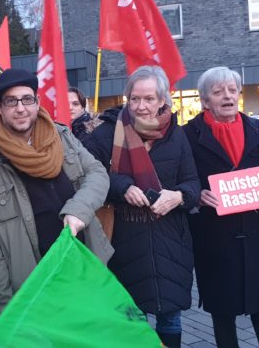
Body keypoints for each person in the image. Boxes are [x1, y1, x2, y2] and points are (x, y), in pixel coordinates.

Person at [0, 68, 112, 318]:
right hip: (34, 289)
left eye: (27, 99)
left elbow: (98, 174)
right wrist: (5, 308)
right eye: (10, 101)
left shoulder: (61, 136)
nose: (21, 108)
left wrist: (79, 210)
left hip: (84, 269)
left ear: (37, 102)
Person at [83, 66, 200, 348]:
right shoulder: (108, 133)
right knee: (130, 321)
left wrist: (179, 197)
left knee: (170, 319)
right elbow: (88, 174)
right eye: (134, 99)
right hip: (124, 242)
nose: (141, 106)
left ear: (163, 100)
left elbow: (193, 183)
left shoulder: (177, 134)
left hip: (170, 243)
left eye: (149, 99)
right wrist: (122, 187)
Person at [182, 67, 259, 348]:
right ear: (205, 100)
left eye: (232, 90)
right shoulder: (186, 136)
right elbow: (179, 181)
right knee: (223, 319)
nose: (227, 96)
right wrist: (195, 195)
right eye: (218, 92)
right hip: (215, 242)